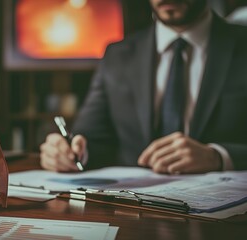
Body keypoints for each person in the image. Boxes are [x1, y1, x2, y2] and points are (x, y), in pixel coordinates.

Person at [40, 0, 247, 174]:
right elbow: (91, 137)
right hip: (134, 209)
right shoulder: (117, 55)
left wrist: (218, 157)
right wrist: (68, 152)